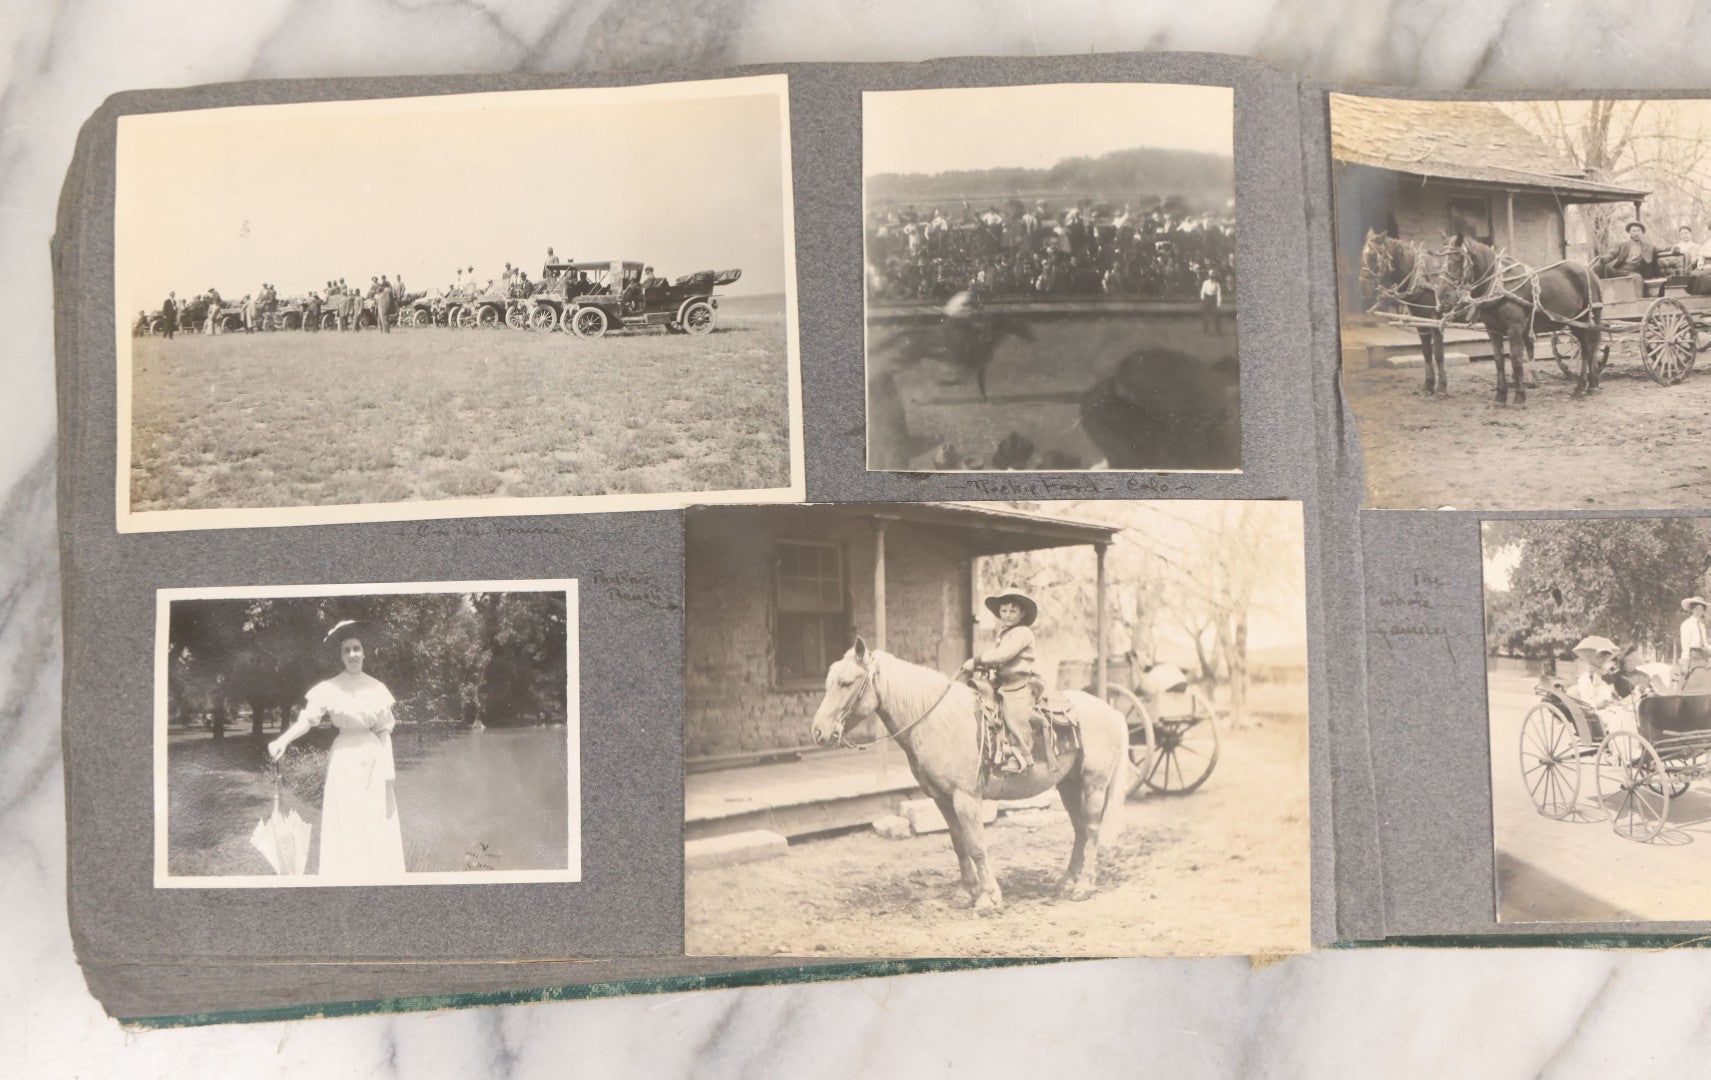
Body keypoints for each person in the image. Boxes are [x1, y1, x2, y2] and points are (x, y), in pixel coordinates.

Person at [268, 620, 406, 882]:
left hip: (373, 759)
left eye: (357, 648)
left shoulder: (377, 688)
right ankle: (345, 878)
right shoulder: (330, 688)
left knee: (373, 818)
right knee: (346, 818)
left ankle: (376, 879)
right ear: (341, 656)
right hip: (344, 758)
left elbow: (384, 730)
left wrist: (389, 767)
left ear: (364, 652)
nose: (353, 654)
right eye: (346, 650)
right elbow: (307, 720)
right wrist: (283, 740)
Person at [958, 590, 1042, 773]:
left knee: (1013, 712)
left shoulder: (1023, 632)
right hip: (1002, 682)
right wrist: (985, 666)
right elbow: (998, 658)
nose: (1007, 615)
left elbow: (1005, 654)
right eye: (1004, 611)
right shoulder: (1004, 632)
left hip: (1018, 683)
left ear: (1022, 613)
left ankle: (1021, 755)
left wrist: (977, 660)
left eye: (1013, 611)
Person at [1680, 597, 1710, 688]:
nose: (1699, 611)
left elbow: (1705, 644)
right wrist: (1685, 664)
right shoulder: (1687, 624)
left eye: (1701, 609)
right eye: (1696, 609)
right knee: (1699, 675)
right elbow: (1685, 646)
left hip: (1704, 656)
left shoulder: (1702, 626)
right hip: (1693, 657)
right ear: (1692, 609)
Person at [1199, 271, 1223, 335]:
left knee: (1217, 315)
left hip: (1213, 300)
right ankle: (1205, 330)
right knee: (1205, 316)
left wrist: (1218, 304)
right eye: (1210, 276)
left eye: (1212, 276)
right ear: (1208, 276)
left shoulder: (1217, 284)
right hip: (1207, 299)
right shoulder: (1205, 283)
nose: (1211, 277)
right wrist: (1203, 300)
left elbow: (1219, 294)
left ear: (1214, 277)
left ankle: (1217, 330)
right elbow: (1202, 291)